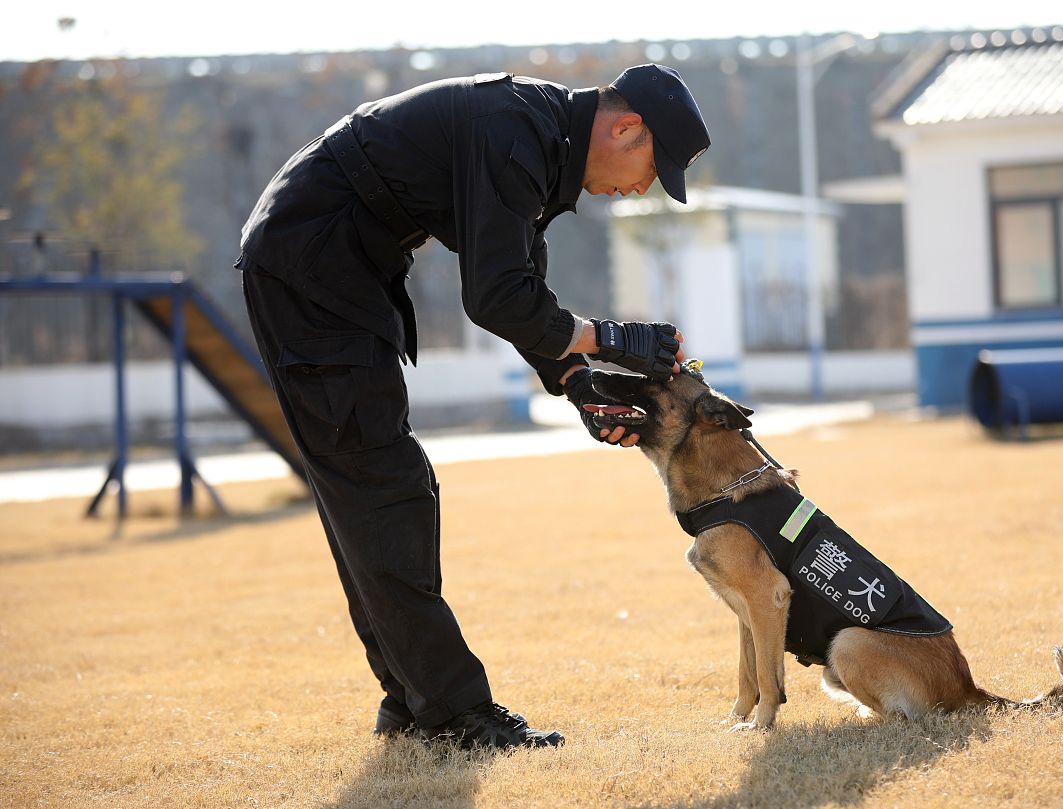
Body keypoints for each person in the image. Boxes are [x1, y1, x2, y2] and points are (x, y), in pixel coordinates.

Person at [235, 64, 710, 750]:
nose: (641, 187)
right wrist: (614, 338)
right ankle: (454, 713)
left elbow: (523, 290)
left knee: (387, 485)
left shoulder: (542, 145)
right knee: (381, 485)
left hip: (333, 266)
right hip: (311, 266)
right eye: (651, 167)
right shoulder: (517, 131)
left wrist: (579, 383)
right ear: (625, 126)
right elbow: (494, 297)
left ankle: (412, 700)